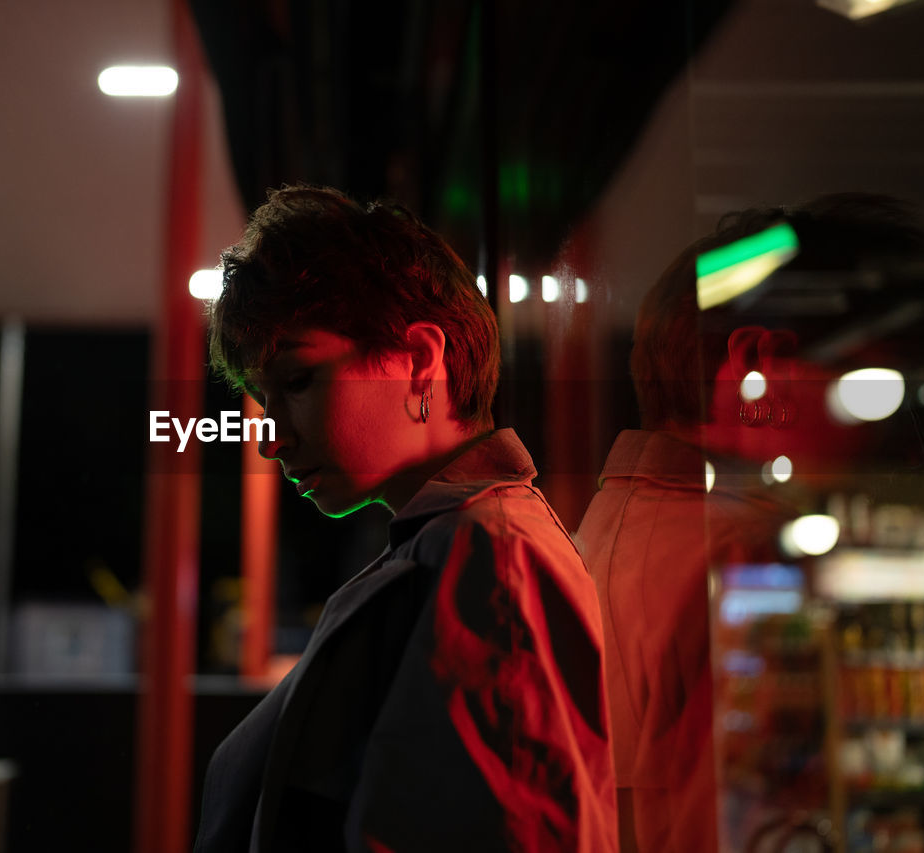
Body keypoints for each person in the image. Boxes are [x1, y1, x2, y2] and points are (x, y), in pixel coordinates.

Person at [194, 185, 617, 852]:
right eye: (261, 398)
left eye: (298, 381)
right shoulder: (453, 544)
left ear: (421, 361)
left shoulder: (491, 556)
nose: (270, 437)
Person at [574, 193, 924, 852]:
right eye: (870, 377)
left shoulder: (602, 527)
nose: (888, 426)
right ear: (759, 366)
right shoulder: (749, 560)